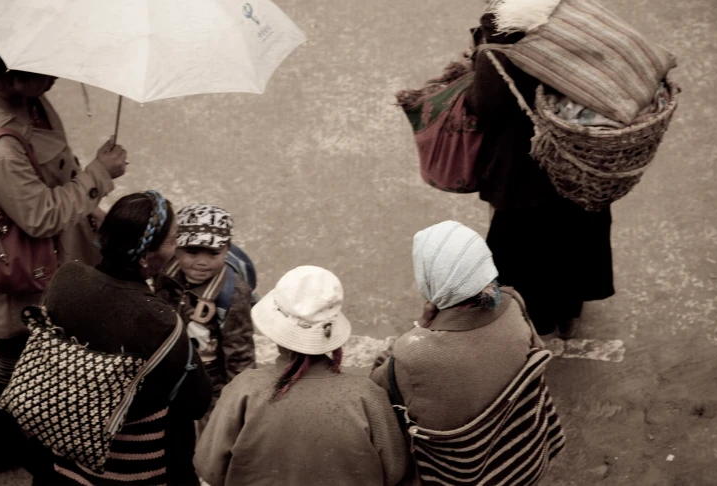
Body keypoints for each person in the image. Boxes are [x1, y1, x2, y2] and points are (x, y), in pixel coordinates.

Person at [0, 36, 128, 471]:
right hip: (18, 271)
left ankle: (7, 439)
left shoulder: (30, 103)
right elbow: (39, 216)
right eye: (47, 71)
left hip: (52, 256)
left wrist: (93, 203)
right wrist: (98, 174)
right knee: (11, 355)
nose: (56, 79)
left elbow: (56, 170)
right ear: (10, 73)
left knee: (26, 356)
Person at [461, 0, 614, 337]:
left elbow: (488, 105)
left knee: (527, 243)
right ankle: (567, 313)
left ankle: (539, 321)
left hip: (528, 160)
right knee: (575, 231)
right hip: (580, 145)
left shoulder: (503, 21)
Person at [33, 191, 213, 486]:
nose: (177, 247)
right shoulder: (161, 321)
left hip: (58, 449)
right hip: (125, 468)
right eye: (171, 240)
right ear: (144, 255)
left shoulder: (67, 277)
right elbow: (196, 404)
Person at [371, 221, 564, 485]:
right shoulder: (514, 303)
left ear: (430, 281)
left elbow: (377, 391)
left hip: (465, 477)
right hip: (523, 461)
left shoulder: (413, 356)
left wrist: (421, 328)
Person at [194, 266, 409, 486]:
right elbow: (394, 471)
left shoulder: (244, 390)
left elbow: (209, 469)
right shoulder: (367, 395)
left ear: (275, 331)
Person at [154, 204, 256, 428]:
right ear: (176, 248)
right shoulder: (165, 272)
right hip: (171, 370)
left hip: (211, 383)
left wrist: (239, 404)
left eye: (213, 253)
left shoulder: (233, 294)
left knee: (205, 441)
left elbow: (240, 356)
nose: (202, 262)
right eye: (191, 251)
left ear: (227, 249)